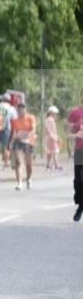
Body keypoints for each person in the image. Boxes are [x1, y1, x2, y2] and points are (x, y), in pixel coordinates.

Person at [7, 101, 36, 190]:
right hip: (18, 141)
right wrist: (9, 143)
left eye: (22, 108)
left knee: (29, 164)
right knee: (18, 162)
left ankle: (29, 179)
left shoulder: (31, 118)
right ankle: (19, 182)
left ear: (25, 109)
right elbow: (13, 132)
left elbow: (33, 128)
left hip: (29, 140)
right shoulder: (14, 121)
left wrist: (29, 134)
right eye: (19, 109)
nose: (21, 110)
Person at [67, 90, 83, 222]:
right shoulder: (75, 113)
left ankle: (80, 208)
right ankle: (80, 202)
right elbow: (68, 133)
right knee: (79, 181)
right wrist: (75, 135)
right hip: (80, 151)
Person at [0, 92, 17, 169]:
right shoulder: (11, 108)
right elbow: (14, 119)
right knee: (6, 147)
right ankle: (5, 164)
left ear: (2, 99)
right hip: (7, 128)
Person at [44, 106, 63, 172]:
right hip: (52, 137)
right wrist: (54, 137)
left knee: (50, 152)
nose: (55, 114)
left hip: (49, 137)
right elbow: (48, 128)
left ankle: (48, 165)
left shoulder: (48, 119)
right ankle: (56, 165)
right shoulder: (50, 119)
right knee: (55, 151)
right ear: (51, 112)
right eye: (55, 113)